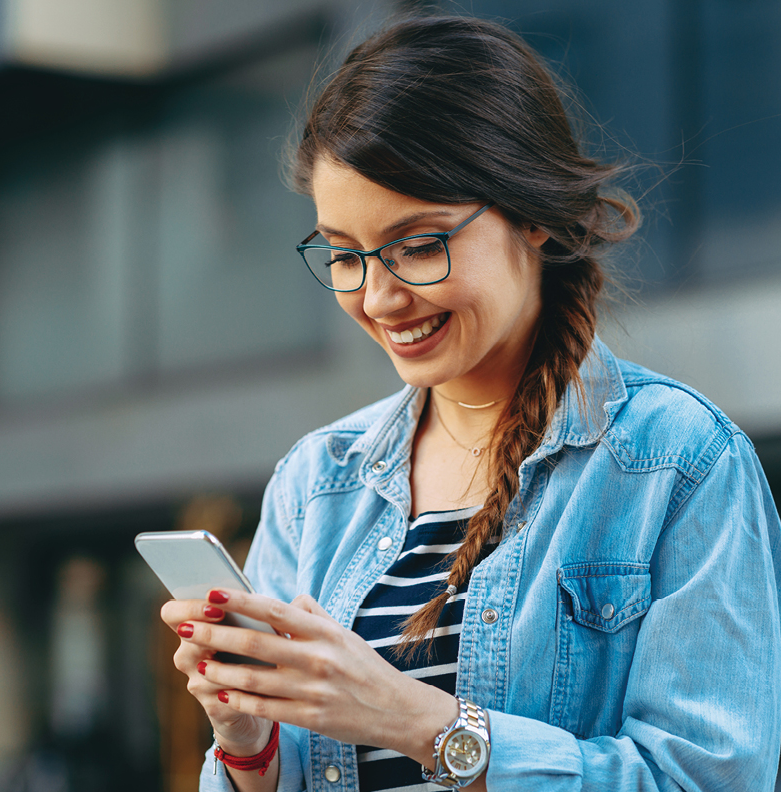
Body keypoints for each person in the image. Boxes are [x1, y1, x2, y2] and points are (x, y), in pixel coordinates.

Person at [161, 15, 781, 792]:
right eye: (345, 255)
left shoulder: (678, 463)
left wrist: (415, 722)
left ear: (532, 215)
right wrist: (250, 746)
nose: (379, 297)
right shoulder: (317, 484)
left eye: (419, 244)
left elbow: (712, 780)